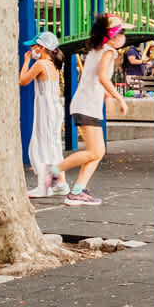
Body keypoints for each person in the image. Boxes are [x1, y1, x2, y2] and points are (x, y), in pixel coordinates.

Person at [58, 14, 130, 207]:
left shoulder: (96, 51)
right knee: (95, 151)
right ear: (113, 36)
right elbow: (102, 77)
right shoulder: (109, 52)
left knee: (97, 152)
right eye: (122, 33)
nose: (124, 37)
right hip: (87, 105)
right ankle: (54, 171)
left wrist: (106, 96)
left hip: (86, 104)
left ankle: (78, 190)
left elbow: (93, 79)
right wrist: (119, 98)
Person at [19, 31, 68, 199]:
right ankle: (61, 183)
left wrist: (26, 61)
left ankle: (45, 186)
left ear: (41, 47)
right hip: (55, 106)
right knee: (54, 145)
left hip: (45, 108)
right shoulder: (53, 64)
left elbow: (23, 80)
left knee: (43, 145)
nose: (31, 50)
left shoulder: (40, 64)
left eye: (33, 46)